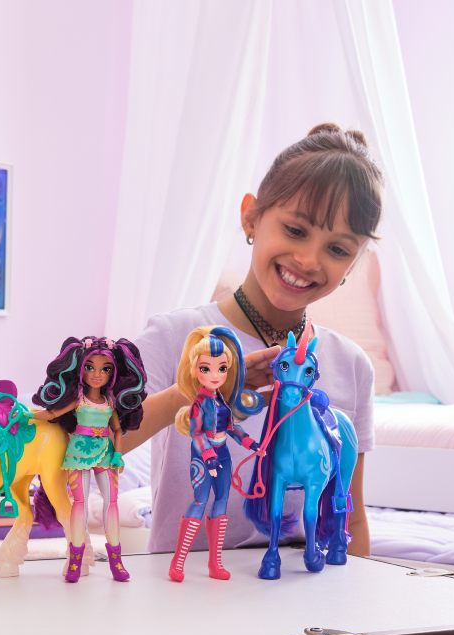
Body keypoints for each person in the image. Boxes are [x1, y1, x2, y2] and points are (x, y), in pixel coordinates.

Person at [120, 124, 381, 559]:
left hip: (306, 600)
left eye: (337, 250)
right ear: (251, 217)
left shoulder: (352, 365)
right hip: (187, 593)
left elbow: (351, 518)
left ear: (354, 264)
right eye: (296, 230)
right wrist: (196, 389)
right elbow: (101, 447)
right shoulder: (174, 336)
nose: (308, 260)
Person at [32, 336, 147, 582]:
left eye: (105, 369)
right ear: (80, 369)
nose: (97, 374)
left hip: (105, 453)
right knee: (79, 504)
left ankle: (116, 561)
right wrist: (26, 416)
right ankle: (76, 558)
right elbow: (52, 413)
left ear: (113, 373)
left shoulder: (110, 401)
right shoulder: (79, 399)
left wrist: (117, 453)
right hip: (79, 453)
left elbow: (117, 429)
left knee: (111, 503)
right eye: (90, 367)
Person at [168, 326, 262, 582]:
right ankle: (177, 563)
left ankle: (215, 563)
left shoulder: (220, 400)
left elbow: (231, 427)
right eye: (206, 368)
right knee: (199, 501)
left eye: (221, 368)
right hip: (203, 457)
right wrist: (208, 456)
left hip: (222, 455)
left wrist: (252, 444)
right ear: (195, 370)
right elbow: (196, 434)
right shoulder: (199, 404)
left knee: (221, 502)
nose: (215, 375)